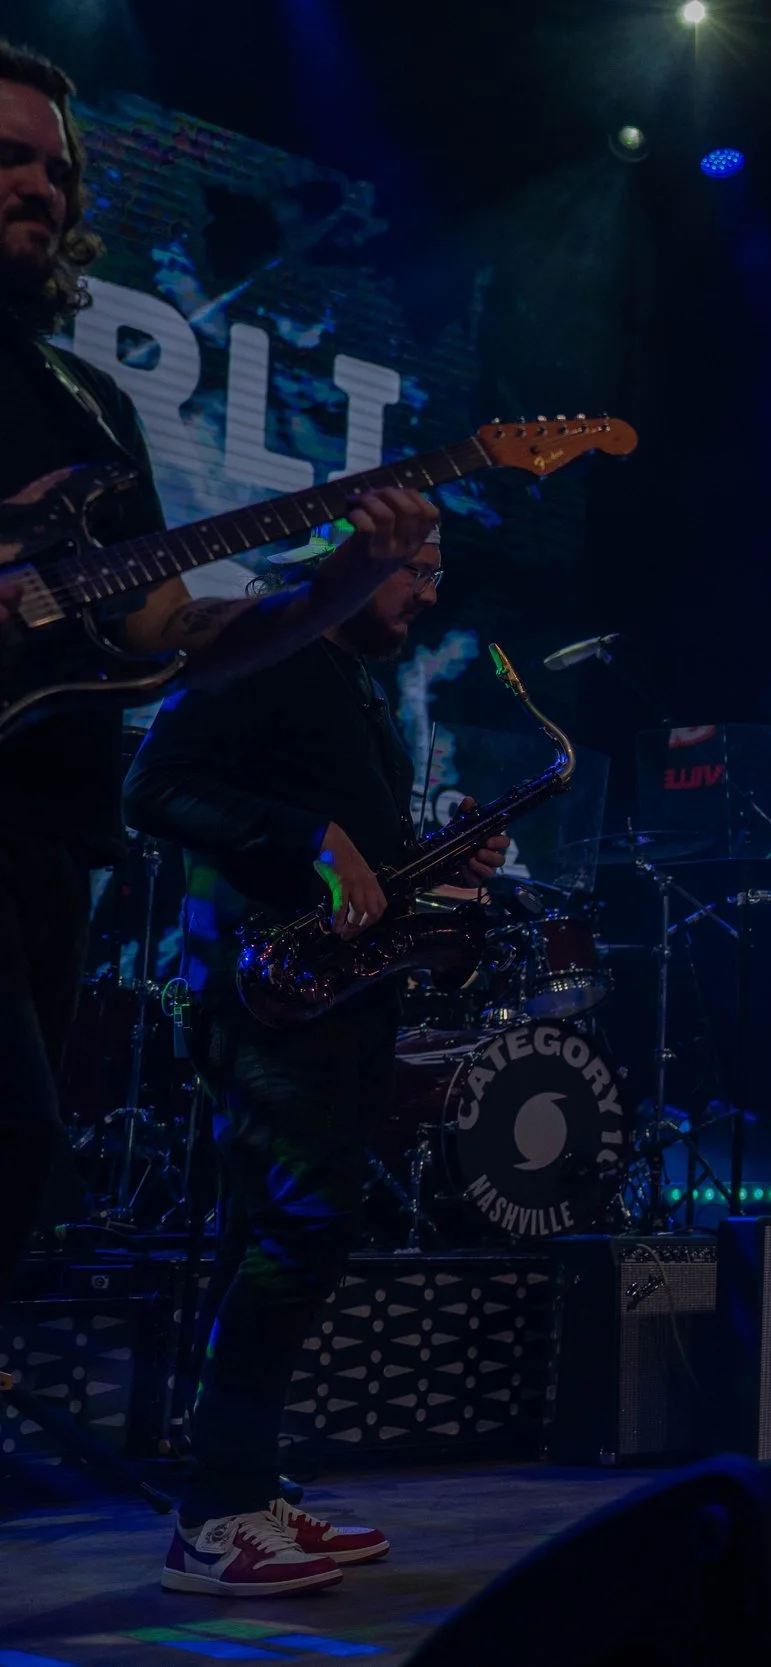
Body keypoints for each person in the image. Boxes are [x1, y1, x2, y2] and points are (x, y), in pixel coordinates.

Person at [0, 40, 431, 1312]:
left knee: (27, 1160)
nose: (42, 187)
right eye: (6, 159)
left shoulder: (87, 409)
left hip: (40, 832)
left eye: (58, 171)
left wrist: (340, 586)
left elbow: (167, 629)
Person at [124, 523, 506, 1596]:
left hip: (329, 995)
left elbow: (360, 866)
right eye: (418, 569)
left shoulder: (358, 686)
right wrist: (310, 837)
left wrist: (442, 857)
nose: (429, 594)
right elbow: (151, 789)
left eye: (438, 572)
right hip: (262, 992)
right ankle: (214, 1510)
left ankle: (241, 1481)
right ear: (360, 557)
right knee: (299, 1229)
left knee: (285, 1230)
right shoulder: (268, 647)